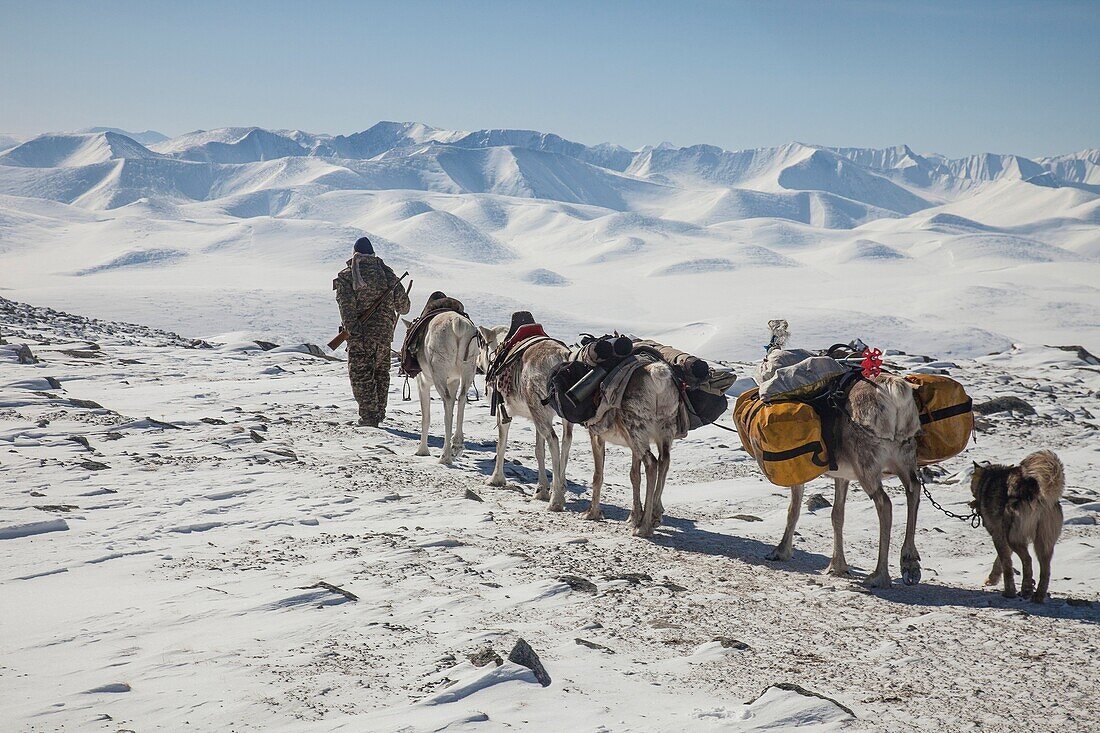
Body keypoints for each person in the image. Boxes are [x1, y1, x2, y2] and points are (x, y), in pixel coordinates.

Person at [333, 237, 411, 426]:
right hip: (384, 337)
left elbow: (347, 310)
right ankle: (378, 415)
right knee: (381, 375)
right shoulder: (387, 274)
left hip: (360, 336)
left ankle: (369, 418)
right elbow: (405, 307)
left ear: (354, 253)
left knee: (361, 376)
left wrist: (354, 335)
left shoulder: (347, 276)